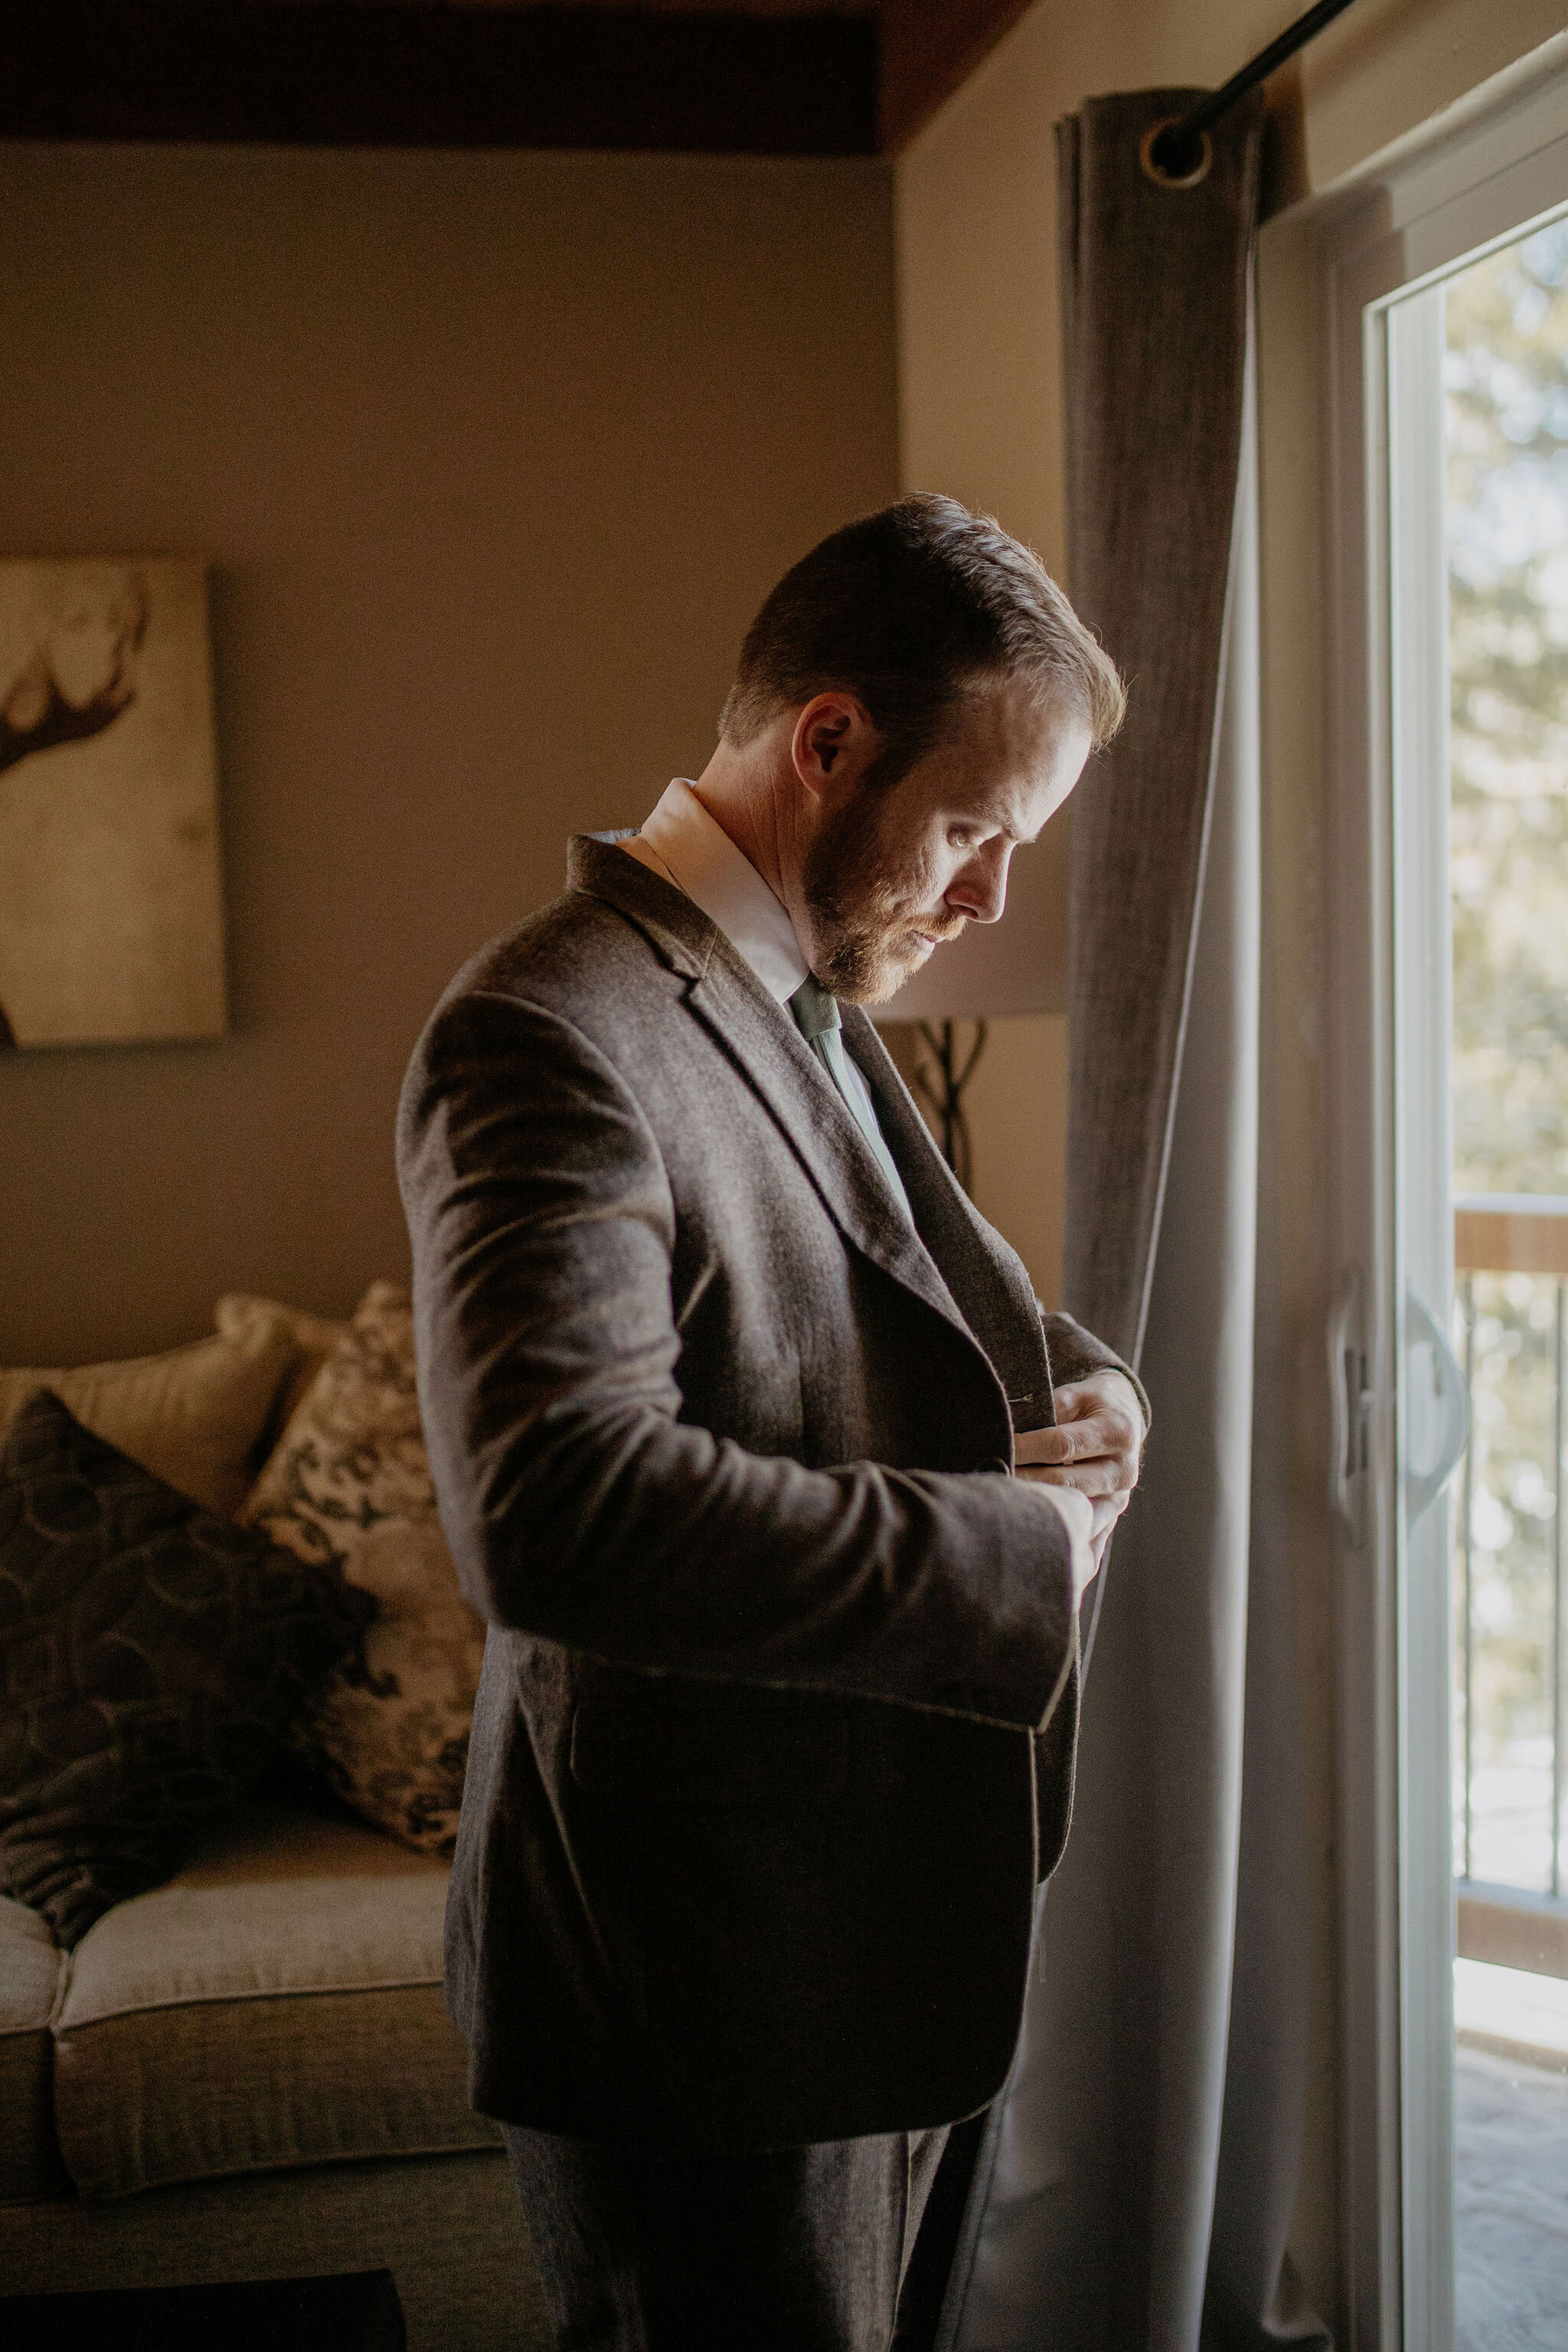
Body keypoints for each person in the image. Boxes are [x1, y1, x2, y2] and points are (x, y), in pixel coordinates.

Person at [397, 495, 1148, 2351]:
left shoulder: (794, 991)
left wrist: (1080, 1377)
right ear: (828, 743)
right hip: (700, 1985)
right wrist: (1019, 1547)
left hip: (876, 1941)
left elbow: (875, 1274)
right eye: (973, 828)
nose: (986, 897)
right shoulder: (551, 1027)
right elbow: (557, 1507)